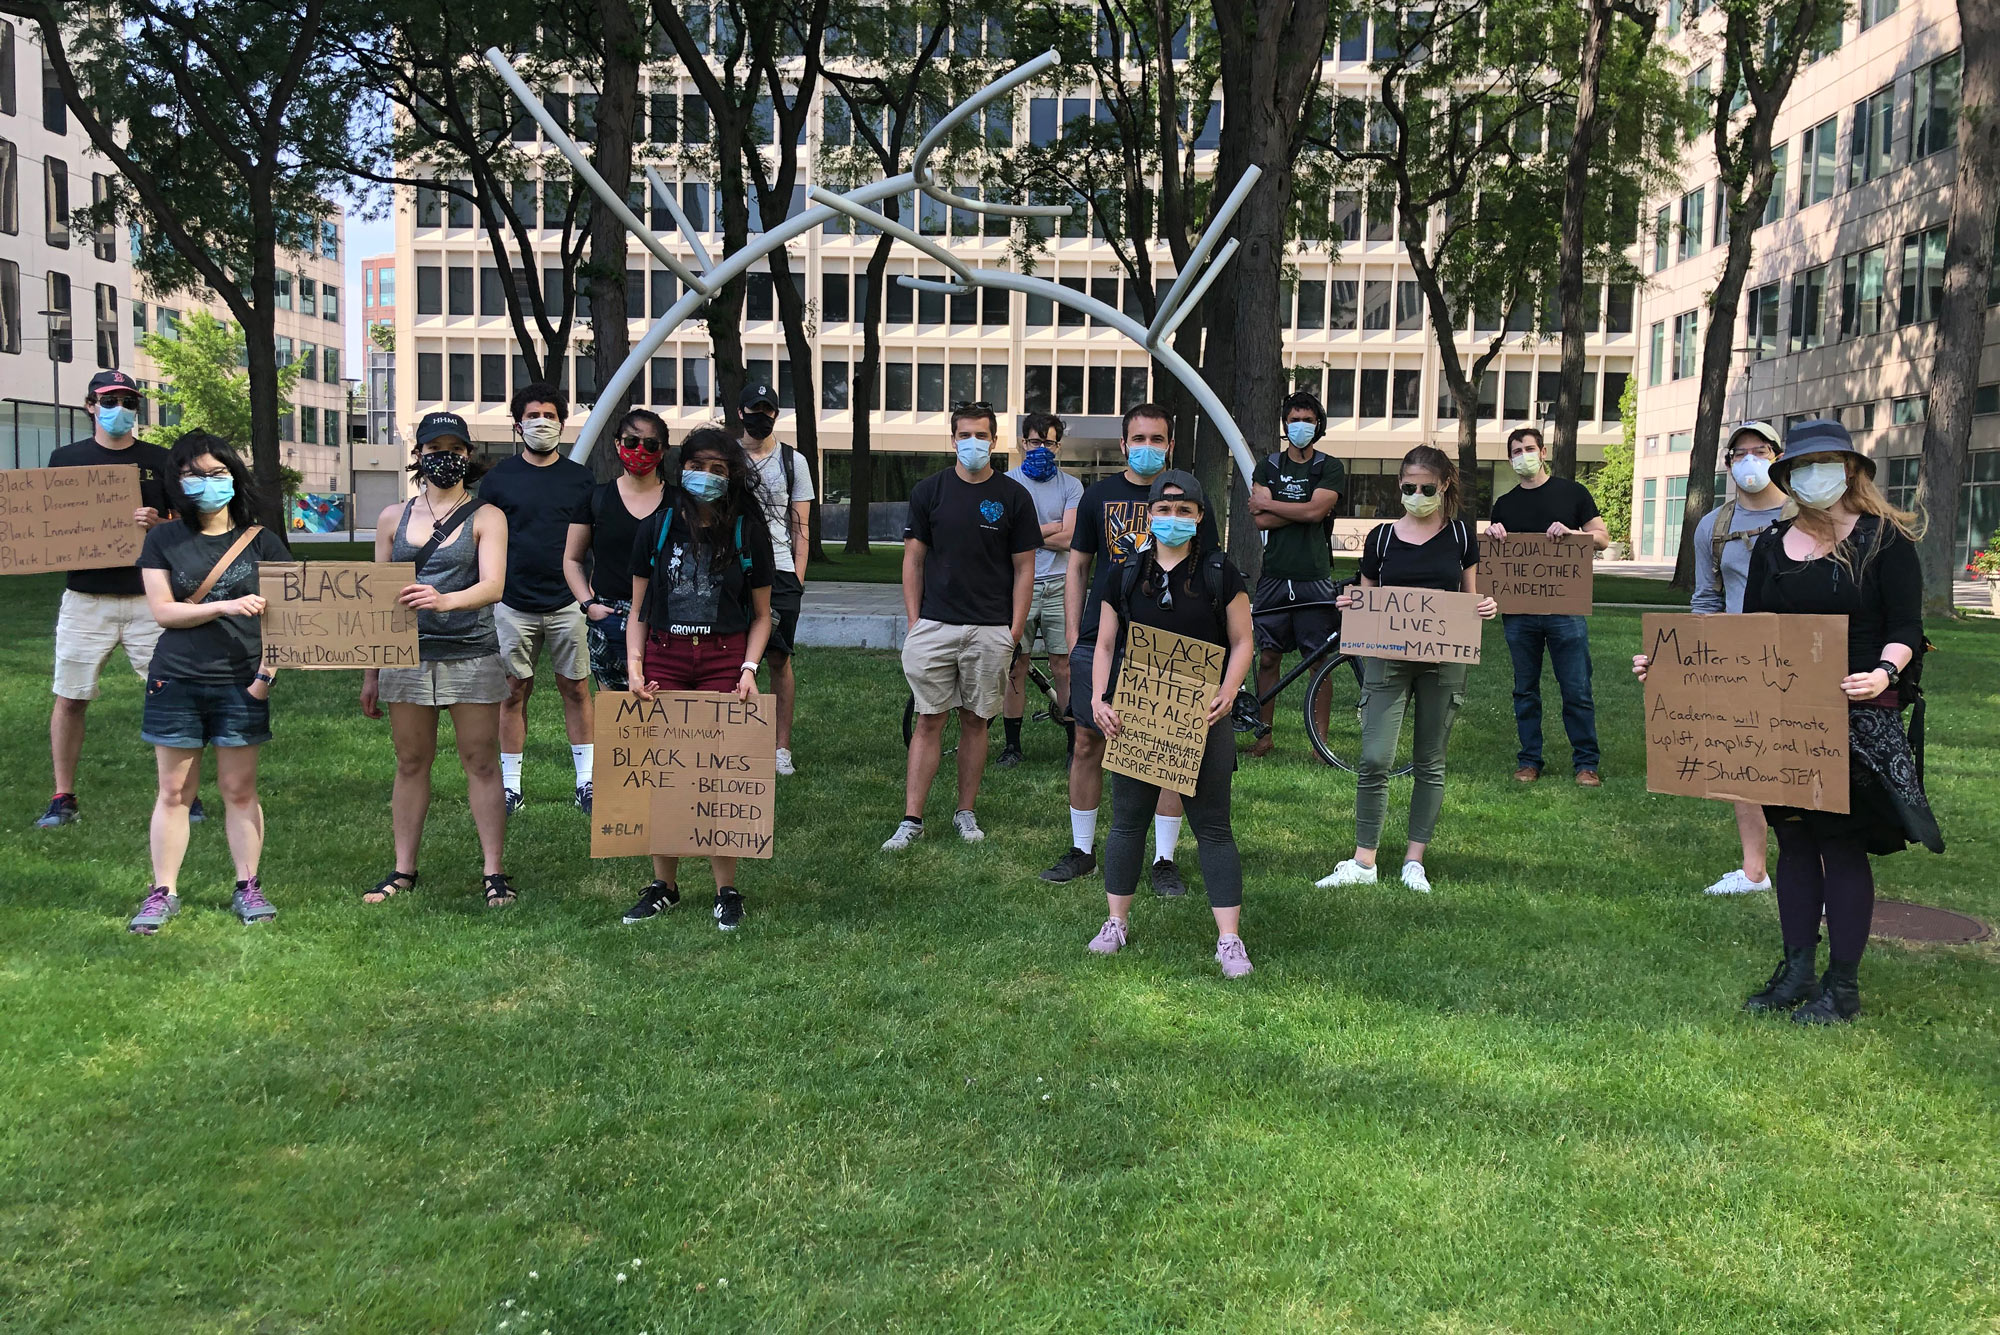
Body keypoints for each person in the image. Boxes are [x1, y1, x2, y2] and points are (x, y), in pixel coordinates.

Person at [1634, 420, 1941, 1024]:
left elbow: (1907, 627)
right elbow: (1750, 637)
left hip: (1856, 713)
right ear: (1789, 477)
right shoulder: (1774, 544)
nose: (1812, 475)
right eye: (1801, 466)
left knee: (1840, 842)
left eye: (1824, 462)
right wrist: (1671, 665)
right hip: (1784, 718)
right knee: (1795, 838)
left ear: (1850, 469)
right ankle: (1798, 968)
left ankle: (1843, 987)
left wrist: (1884, 671)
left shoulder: (1885, 542)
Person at [1084, 472, 1258, 977]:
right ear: (1150, 514)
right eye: (1164, 509)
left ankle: (1230, 939)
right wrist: (1099, 697)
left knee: (1214, 828)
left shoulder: (1221, 573)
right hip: (1137, 715)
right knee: (1127, 821)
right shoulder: (1125, 571)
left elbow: (1243, 640)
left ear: (1201, 517)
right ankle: (1115, 922)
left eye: (1185, 512)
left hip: (1205, 716)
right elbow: (1105, 644)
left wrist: (1229, 690)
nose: (1173, 519)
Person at [1038, 405, 1216, 893]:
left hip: (1168, 646)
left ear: (1171, 445)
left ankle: (1163, 860)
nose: (1147, 447)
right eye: (1138, 438)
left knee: (1167, 749)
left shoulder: (1192, 499)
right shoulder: (1099, 496)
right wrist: (1075, 635)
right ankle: (1082, 850)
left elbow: (1210, 571)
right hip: (1101, 640)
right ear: (1122, 444)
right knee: (1088, 741)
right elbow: (1077, 567)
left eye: (1157, 439)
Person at [125, 433, 292, 934]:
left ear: (234, 477)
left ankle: (248, 886)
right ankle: (163, 891)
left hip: (242, 681)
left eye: (217, 473)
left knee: (239, 789)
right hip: (176, 679)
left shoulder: (261, 540)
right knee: (174, 791)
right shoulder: (162, 539)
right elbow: (163, 612)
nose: (207, 483)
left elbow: (291, 618)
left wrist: (266, 676)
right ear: (177, 482)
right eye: (194, 474)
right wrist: (223, 605)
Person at [1318, 446, 1497, 894]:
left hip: (1444, 662)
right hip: (1387, 660)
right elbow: (1367, 596)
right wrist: (1352, 607)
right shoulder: (1380, 538)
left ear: (1444, 486)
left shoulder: (1459, 537)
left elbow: (1468, 598)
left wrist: (1485, 607)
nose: (1416, 494)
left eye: (1426, 488)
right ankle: (1364, 860)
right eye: (1408, 487)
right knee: (1374, 757)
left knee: (1430, 761)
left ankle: (1414, 860)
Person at [361, 412, 517, 908]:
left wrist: (443, 600)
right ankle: (403, 868)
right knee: (410, 761)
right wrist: (371, 671)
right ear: (419, 455)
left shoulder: (487, 516)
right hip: (407, 657)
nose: (443, 457)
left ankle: (494, 870)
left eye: (453, 448)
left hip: (470, 654)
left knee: (480, 761)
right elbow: (376, 597)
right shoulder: (393, 517)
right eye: (433, 448)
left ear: (467, 455)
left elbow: (494, 584)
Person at [621, 427, 776, 930]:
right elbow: (639, 610)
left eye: (718, 468)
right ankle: (663, 885)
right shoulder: (657, 527)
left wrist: (749, 670)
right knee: (662, 775)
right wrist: (635, 667)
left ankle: (726, 890)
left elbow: (762, 615)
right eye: (698, 465)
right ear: (680, 467)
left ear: (730, 476)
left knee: (719, 776)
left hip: (724, 659)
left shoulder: (747, 532)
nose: (706, 476)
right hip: (664, 659)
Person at [40, 369, 200, 829]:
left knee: (171, 693)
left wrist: (158, 523)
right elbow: (51, 525)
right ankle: (63, 795)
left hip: (150, 597)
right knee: (70, 697)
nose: (120, 409)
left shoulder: (159, 460)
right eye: (109, 400)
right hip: (85, 598)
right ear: (90, 405)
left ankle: (185, 793)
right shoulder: (65, 459)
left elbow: (188, 525)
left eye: (129, 401)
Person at [883, 403, 1040, 850]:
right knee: (928, 719)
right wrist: (915, 621)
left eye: (983, 435)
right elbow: (913, 559)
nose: (975, 443)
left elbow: (1024, 568)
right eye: (966, 434)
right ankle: (912, 819)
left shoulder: (1013, 496)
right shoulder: (929, 491)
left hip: (991, 628)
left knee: (976, 721)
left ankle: (965, 813)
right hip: (935, 625)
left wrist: (1013, 630)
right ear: (953, 439)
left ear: (994, 440)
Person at [481, 383, 597, 814]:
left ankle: (586, 782)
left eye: (550, 416)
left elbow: (591, 541)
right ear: (518, 424)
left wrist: (590, 594)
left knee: (577, 689)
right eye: (533, 416)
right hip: (512, 603)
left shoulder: (580, 479)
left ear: (562, 425)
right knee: (512, 693)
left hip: (568, 603)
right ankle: (510, 787)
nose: (541, 423)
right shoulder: (498, 479)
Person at [1689, 421, 1791, 896]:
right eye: (1739, 453)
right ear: (1729, 465)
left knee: (1805, 761)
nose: (1749, 460)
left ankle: (1818, 870)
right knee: (1743, 763)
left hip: (1799, 658)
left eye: (1760, 450)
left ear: (1777, 455)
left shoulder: (1803, 514)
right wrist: (1691, 654)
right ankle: (1754, 871)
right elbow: (1707, 597)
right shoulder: (1715, 526)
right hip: (1736, 662)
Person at [1484, 426, 1609, 787]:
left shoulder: (1573, 493)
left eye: (1528, 448)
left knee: (1576, 689)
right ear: (1510, 459)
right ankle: (1529, 759)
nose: (1522, 455)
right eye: (1515, 451)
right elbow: (1495, 556)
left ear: (1543, 451)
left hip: (1565, 611)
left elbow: (1601, 537)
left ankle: (1586, 761)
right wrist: (1493, 534)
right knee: (1525, 689)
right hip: (1519, 613)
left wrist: (1575, 534)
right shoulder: (1504, 504)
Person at [1247, 390, 1344, 758]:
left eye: (1307, 419)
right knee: (1268, 657)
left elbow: (1315, 514)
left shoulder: (1329, 466)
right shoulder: (1267, 465)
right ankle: (1263, 736)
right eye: (1294, 419)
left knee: (1318, 660)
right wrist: (1301, 508)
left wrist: (1275, 504)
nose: (1300, 425)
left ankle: (1321, 743)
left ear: (1318, 424)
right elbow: (1260, 519)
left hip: (1314, 575)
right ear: (1285, 424)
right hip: (1274, 575)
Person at [738, 381, 815, 777]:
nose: (761, 417)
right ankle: (738, 742)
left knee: (779, 658)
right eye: (755, 409)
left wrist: (798, 576)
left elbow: (800, 524)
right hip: (733, 569)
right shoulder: (727, 458)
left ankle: (780, 748)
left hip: (781, 570)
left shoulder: (793, 461)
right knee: (733, 655)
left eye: (768, 411)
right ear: (740, 412)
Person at [999, 411, 1084, 767]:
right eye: (1035, 442)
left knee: (1063, 666)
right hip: (1020, 585)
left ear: (1058, 446)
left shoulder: (1072, 486)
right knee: (1015, 666)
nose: (1041, 449)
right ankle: (1013, 746)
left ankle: (1073, 745)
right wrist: (1051, 528)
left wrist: (1030, 533)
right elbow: (1003, 538)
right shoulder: (1005, 483)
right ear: (1023, 443)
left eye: (1048, 443)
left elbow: (1071, 537)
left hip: (1061, 587)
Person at [564, 409, 669, 692]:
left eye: (650, 444)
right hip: (609, 617)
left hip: (665, 622)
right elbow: (572, 559)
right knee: (618, 722)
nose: (640, 450)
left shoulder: (678, 502)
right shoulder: (595, 498)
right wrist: (589, 605)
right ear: (617, 444)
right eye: (631, 441)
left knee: (663, 721)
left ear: (663, 451)